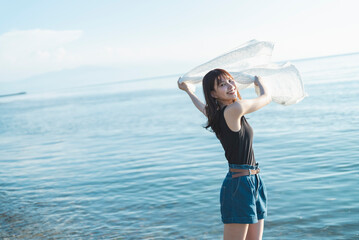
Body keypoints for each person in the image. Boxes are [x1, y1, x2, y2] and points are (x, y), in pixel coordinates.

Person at [178, 68, 271, 240]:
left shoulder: (217, 115)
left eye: (230, 81)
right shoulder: (234, 109)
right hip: (240, 184)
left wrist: (189, 92)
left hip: (254, 180)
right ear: (213, 94)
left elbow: (203, 108)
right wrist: (260, 82)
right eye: (222, 84)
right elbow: (266, 98)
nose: (230, 86)